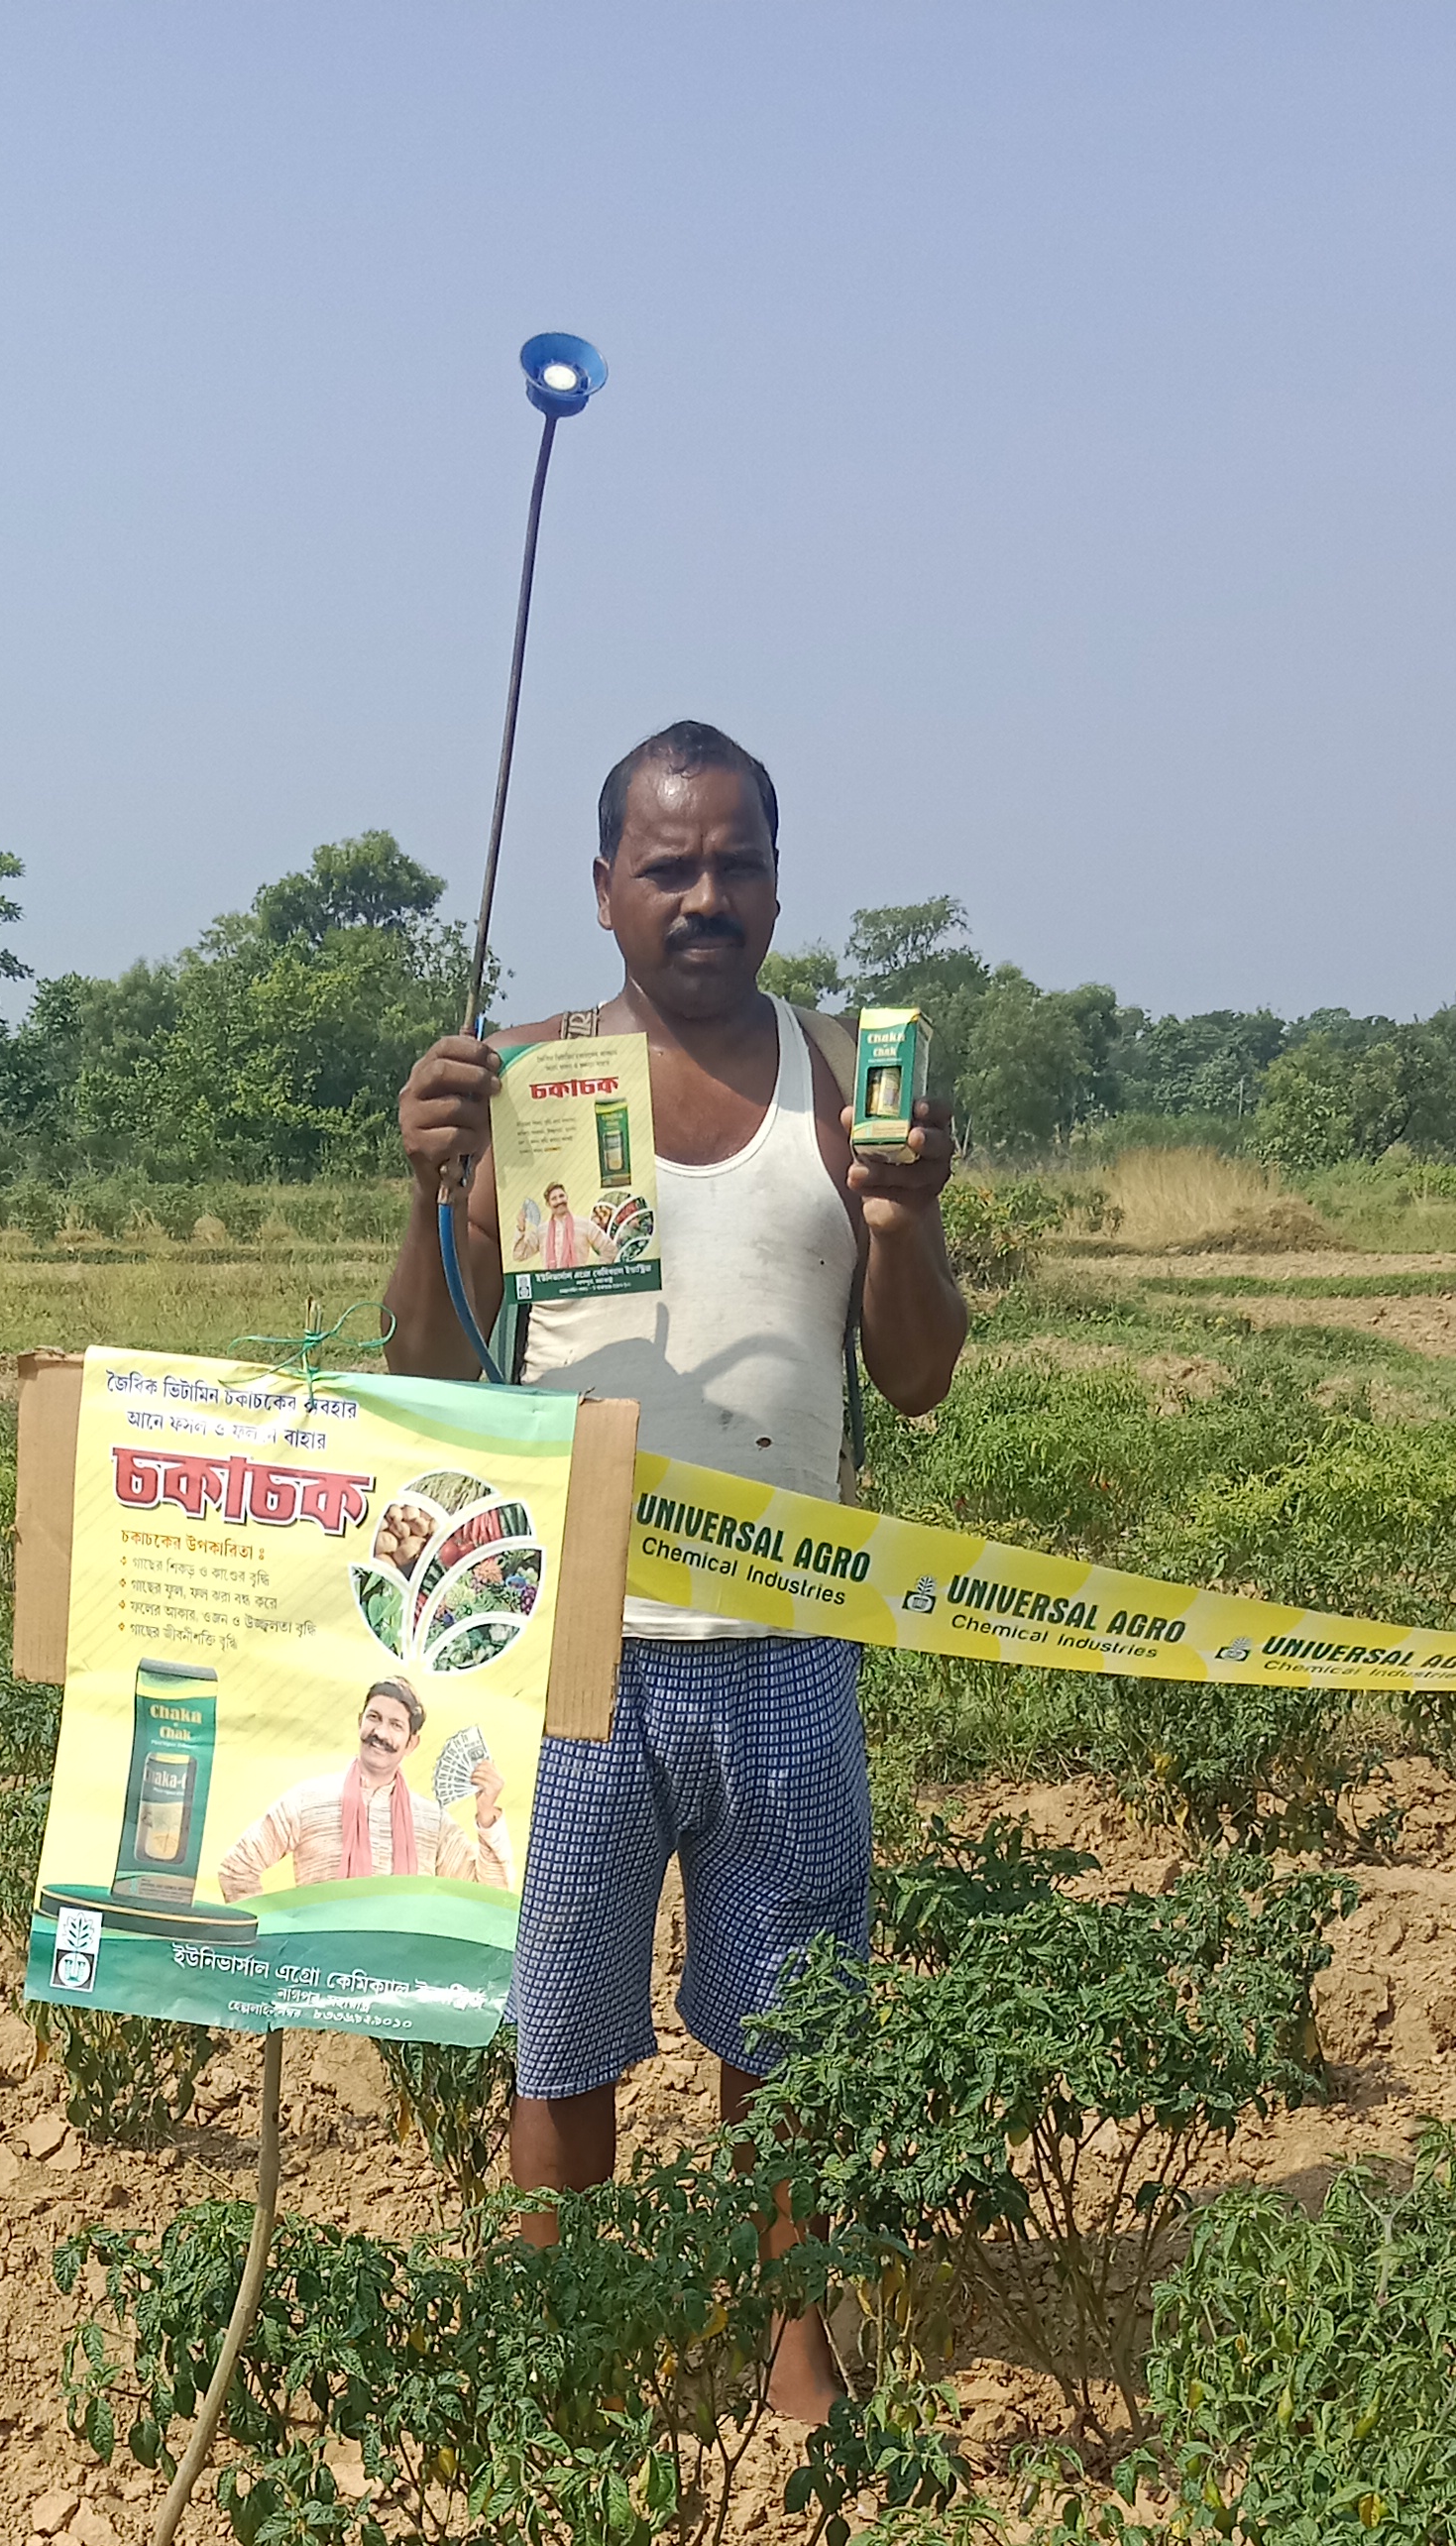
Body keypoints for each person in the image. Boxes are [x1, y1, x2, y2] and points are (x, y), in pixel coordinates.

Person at [382, 717, 967, 2416]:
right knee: (562, 2030)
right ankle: (564, 2351)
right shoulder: (535, 1085)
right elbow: (431, 1368)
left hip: (788, 1642)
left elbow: (917, 1376)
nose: (704, 896)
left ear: (776, 884)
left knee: (788, 2038)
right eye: (668, 867)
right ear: (602, 890)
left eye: (735, 865)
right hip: (578, 1652)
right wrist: (429, 1190)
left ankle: (793, 2350)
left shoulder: (847, 1082)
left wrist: (902, 1218)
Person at [216, 1674, 510, 1897]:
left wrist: (487, 1815)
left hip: (402, 1961)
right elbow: (236, 1868)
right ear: (360, 1722)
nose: (380, 1733)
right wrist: (275, 1944)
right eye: (374, 1718)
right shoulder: (308, 1801)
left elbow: (489, 1898)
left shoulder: (432, 1824)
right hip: (321, 1959)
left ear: (412, 1743)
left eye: (395, 1725)